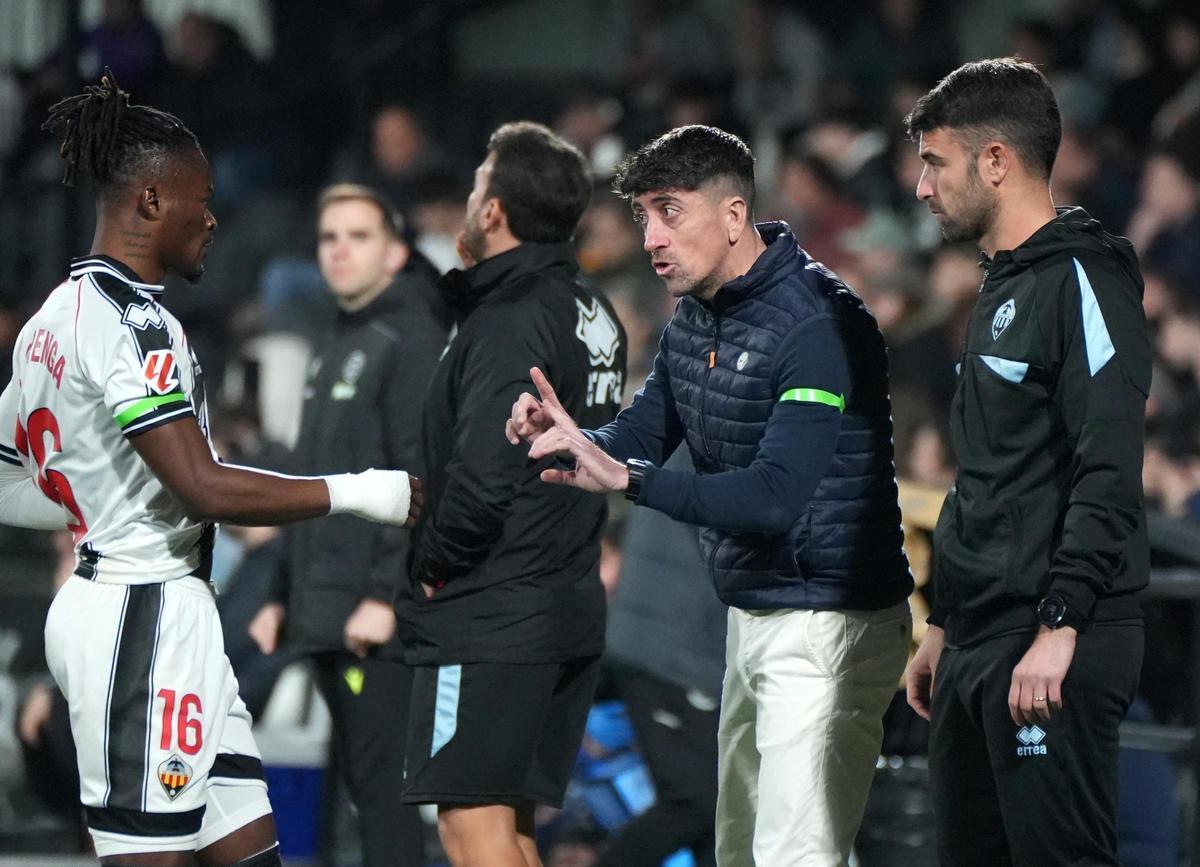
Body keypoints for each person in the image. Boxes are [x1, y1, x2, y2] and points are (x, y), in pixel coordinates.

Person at [0, 71, 420, 866]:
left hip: (147, 609)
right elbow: (202, 485)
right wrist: (371, 492)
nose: (214, 216)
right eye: (202, 196)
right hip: (140, 616)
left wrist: (91, 502)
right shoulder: (137, 325)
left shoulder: (49, 318)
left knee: (250, 852)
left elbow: (3, 479)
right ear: (153, 201)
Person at [509, 124, 914, 867]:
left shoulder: (819, 323)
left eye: (670, 211)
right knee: (739, 849)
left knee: (796, 853)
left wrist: (628, 479)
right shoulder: (695, 314)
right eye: (643, 217)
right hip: (754, 612)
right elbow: (647, 426)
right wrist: (580, 438)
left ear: (733, 218)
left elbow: (775, 496)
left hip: (831, 620)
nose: (652, 236)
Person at [901, 58, 1151, 866]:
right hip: (980, 636)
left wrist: (1060, 622)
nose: (921, 186)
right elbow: (989, 476)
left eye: (935, 162)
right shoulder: (1001, 289)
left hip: (1050, 638)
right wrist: (943, 618)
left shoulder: (1082, 276)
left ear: (996, 160)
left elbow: (1108, 463)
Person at [398, 121, 626, 867]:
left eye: (475, 186)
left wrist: (429, 566)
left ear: (492, 211)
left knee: (471, 827)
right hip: (561, 596)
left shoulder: (508, 318)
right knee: (512, 828)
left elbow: (486, 472)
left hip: (492, 608)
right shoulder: (593, 312)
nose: (467, 199)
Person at [248, 183, 449, 867]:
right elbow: (312, 481)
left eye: (358, 236)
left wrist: (383, 597)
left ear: (395, 253)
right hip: (326, 606)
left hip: (374, 618)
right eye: (329, 236)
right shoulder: (338, 338)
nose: (339, 250)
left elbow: (418, 478)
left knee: (382, 795)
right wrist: (280, 590)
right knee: (350, 790)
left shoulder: (411, 339)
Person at [597, 446, 725, 867]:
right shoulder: (719, 431)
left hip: (675, 642)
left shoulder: (696, 418)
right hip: (673, 648)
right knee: (699, 803)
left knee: (725, 813)